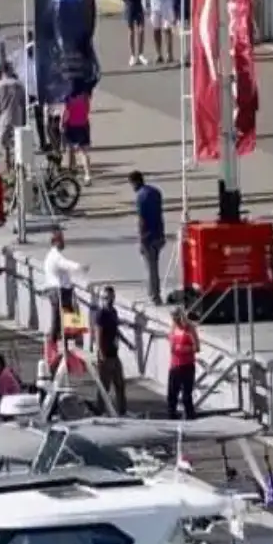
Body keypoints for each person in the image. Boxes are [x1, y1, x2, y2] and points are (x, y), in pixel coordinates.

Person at [131, 171, 165, 302]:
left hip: (148, 236)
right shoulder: (156, 192)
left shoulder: (140, 197)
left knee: (151, 267)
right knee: (154, 264)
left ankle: (155, 295)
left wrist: (141, 239)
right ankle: (152, 291)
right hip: (159, 233)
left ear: (135, 182)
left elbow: (141, 220)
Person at [91, 285, 126, 414]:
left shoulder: (113, 312)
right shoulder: (101, 314)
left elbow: (116, 330)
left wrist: (127, 343)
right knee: (104, 386)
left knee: (120, 384)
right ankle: (100, 411)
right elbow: (98, 333)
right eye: (105, 298)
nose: (108, 300)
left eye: (110, 298)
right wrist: (100, 352)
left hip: (114, 354)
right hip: (105, 355)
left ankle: (122, 411)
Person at [0, 62, 27, 173]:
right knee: (18, 145)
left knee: (5, 145)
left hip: (4, 119)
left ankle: (8, 168)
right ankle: (19, 169)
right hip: (18, 118)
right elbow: (24, 103)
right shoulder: (19, 85)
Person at [42, 229, 86, 316]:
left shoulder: (51, 255)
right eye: (61, 240)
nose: (63, 242)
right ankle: (62, 329)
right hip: (59, 291)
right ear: (55, 242)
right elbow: (66, 264)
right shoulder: (56, 256)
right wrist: (80, 267)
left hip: (55, 290)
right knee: (67, 317)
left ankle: (58, 329)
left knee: (59, 318)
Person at [166, 309, 198, 419]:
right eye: (173, 318)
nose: (175, 320)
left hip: (187, 365)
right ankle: (172, 417)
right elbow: (171, 342)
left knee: (186, 396)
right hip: (175, 365)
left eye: (176, 317)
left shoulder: (189, 328)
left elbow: (196, 347)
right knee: (172, 395)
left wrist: (183, 349)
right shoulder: (173, 328)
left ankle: (190, 417)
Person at [114, 0, 147, 65]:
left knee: (141, 29)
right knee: (131, 31)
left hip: (138, 5)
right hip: (129, 5)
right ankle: (132, 55)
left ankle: (140, 54)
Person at [62, 88, 93, 182]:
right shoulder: (85, 95)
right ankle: (87, 175)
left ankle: (72, 169)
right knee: (84, 151)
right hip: (83, 124)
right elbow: (87, 110)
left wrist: (62, 123)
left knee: (70, 149)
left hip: (71, 125)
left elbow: (66, 111)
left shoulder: (68, 96)